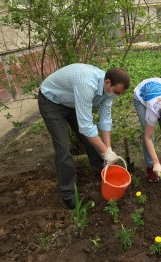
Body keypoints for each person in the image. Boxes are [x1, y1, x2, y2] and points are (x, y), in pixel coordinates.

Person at [38, 63, 130, 209]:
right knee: (63, 148)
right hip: (51, 101)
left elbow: (105, 120)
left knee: (91, 141)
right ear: (107, 83)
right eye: (117, 92)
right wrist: (105, 152)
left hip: (72, 102)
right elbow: (86, 127)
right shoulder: (87, 84)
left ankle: (100, 171)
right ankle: (69, 196)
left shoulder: (108, 89)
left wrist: (108, 149)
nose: (117, 96)